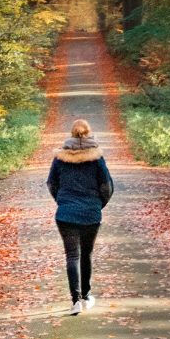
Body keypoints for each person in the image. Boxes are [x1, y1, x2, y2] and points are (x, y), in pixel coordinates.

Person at [47, 119, 114, 315]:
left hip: (66, 214)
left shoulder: (60, 158)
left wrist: (62, 202)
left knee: (72, 256)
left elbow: (52, 184)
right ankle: (85, 295)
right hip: (91, 214)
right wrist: (98, 205)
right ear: (89, 133)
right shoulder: (97, 159)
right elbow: (107, 187)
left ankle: (75, 300)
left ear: (71, 134)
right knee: (86, 254)